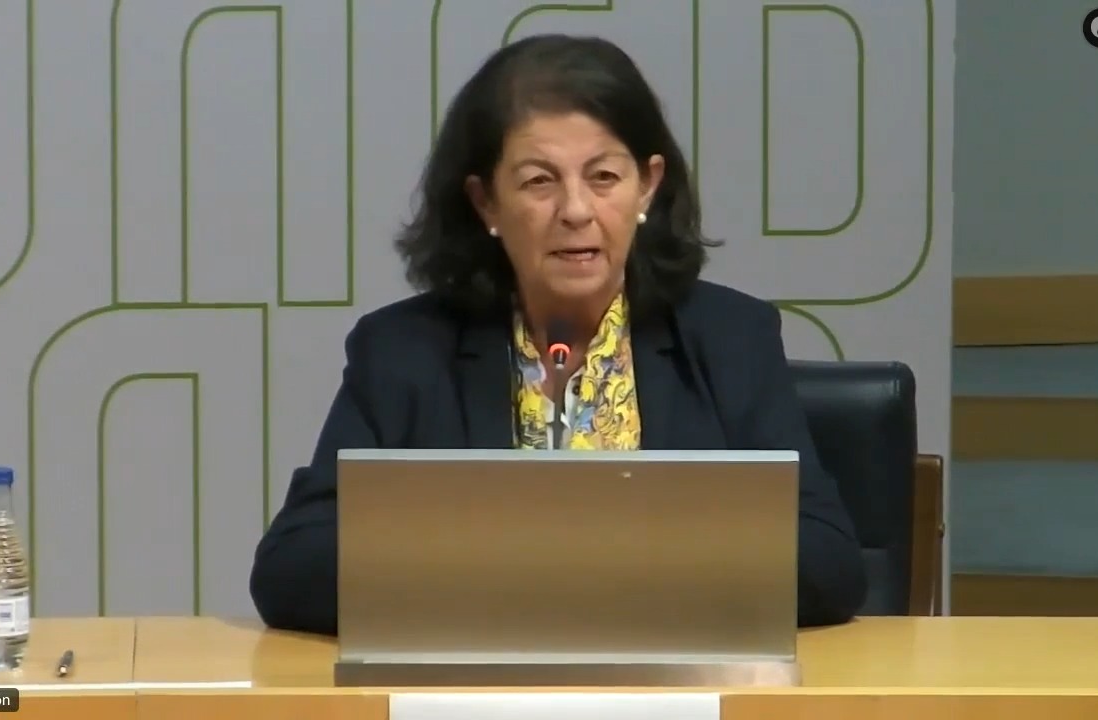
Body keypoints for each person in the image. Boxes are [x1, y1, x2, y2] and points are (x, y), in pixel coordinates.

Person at [250, 34, 867, 634]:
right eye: (539, 181)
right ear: (486, 202)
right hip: (476, 683)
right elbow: (293, 567)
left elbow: (827, 561)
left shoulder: (731, 338)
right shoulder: (403, 351)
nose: (575, 210)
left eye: (603, 177)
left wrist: (577, 575)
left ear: (648, 186)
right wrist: (536, 576)